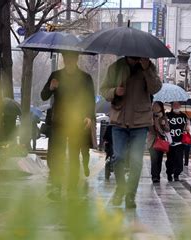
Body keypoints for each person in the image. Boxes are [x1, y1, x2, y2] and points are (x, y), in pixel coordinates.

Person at [100, 56, 162, 208]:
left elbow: (155, 88)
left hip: (140, 122)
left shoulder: (149, 66)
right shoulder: (116, 67)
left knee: (136, 161)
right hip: (119, 120)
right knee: (118, 157)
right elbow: (104, 90)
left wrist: (147, 69)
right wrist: (115, 91)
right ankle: (121, 188)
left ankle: (130, 196)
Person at [41, 51, 95, 199]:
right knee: (56, 155)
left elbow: (90, 99)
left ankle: (71, 187)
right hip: (58, 122)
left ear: (76, 59)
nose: (68, 61)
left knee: (73, 155)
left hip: (77, 123)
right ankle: (57, 186)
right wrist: (50, 88)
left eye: (71, 58)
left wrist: (89, 116)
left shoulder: (85, 78)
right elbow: (43, 95)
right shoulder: (56, 75)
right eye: (66, 58)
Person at [166, 102, 190, 181]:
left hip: (180, 141)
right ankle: (169, 173)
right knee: (170, 160)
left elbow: (188, 127)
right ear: (172, 106)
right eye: (174, 105)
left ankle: (176, 174)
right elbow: (164, 127)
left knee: (179, 160)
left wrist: (188, 126)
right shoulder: (167, 115)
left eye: (178, 104)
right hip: (170, 142)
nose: (176, 106)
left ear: (180, 106)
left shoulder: (184, 116)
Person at [147, 101, 170, 183]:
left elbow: (167, 129)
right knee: (154, 159)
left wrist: (163, 124)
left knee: (159, 159)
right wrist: (153, 123)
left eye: (157, 106)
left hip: (160, 141)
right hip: (152, 141)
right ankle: (154, 176)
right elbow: (150, 130)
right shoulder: (150, 116)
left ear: (161, 107)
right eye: (154, 105)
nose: (155, 107)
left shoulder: (164, 117)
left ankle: (158, 175)